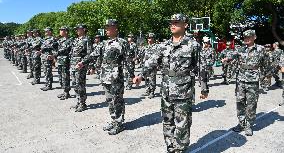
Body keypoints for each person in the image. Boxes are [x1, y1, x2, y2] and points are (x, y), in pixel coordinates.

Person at [133, 14, 208, 153]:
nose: (172, 25)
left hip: (183, 90)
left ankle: (180, 148)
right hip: (166, 89)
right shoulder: (164, 46)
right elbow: (152, 62)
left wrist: (204, 88)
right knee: (167, 120)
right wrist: (141, 75)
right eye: (171, 22)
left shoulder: (193, 45)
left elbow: (201, 67)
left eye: (176, 22)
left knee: (182, 123)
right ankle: (170, 147)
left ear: (185, 25)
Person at [76, 19, 132, 135]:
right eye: (105, 27)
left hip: (116, 76)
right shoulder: (104, 43)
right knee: (109, 99)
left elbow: (128, 60)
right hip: (105, 76)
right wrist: (83, 62)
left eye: (108, 27)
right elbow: (93, 54)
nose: (106, 29)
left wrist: (131, 75)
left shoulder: (122, 42)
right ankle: (113, 120)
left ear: (115, 28)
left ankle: (119, 123)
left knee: (117, 100)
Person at [232, 30, 269, 136]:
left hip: (253, 80)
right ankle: (241, 123)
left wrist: (265, 77)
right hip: (240, 80)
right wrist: (227, 58)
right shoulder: (240, 49)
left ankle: (248, 125)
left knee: (251, 104)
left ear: (254, 37)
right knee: (240, 102)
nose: (246, 39)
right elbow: (232, 55)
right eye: (245, 37)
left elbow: (266, 64)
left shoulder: (261, 49)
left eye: (249, 37)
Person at [70, 24, 92, 112]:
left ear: (84, 29)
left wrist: (83, 62)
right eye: (76, 29)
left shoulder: (87, 40)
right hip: (73, 64)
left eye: (79, 29)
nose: (77, 30)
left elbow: (89, 53)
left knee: (80, 84)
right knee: (75, 83)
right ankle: (78, 101)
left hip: (80, 65)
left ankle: (83, 103)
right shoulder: (75, 40)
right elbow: (72, 52)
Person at [56, 26, 73, 100]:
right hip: (60, 59)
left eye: (61, 30)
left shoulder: (70, 40)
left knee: (65, 76)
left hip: (66, 60)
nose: (60, 31)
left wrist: (56, 53)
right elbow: (55, 49)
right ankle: (64, 90)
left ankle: (67, 92)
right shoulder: (60, 40)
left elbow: (66, 49)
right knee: (60, 76)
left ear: (66, 31)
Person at [141, 33, 158, 98]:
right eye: (148, 38)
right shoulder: (146, 47)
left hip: (152, 65)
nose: (149, 39)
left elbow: (157, 56)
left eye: (150, 38)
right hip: (146, 65)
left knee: (152, 78)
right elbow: (142, 55)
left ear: (153, 38)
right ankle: (147, 90)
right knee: (146, 78)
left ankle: (152, 92)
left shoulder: (156, 47)